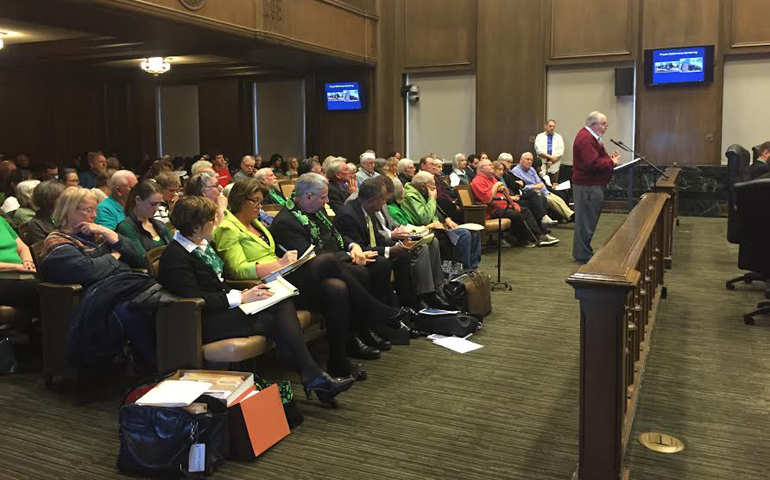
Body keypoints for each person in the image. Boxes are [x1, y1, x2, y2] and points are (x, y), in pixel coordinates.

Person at [159, 195, 354, 406]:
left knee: (279, 305)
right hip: (201, 320)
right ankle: (314, 378)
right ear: (196, 226)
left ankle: (313, 378)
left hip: (222, 309)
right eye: (211, 220)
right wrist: (240, 297)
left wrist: (250, 290)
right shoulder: (175, 257)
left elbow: (219, 283)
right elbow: (194, 298)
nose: (215, 223)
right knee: (279, 314)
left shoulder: (203, 245)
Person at [212, 179, 389, 378]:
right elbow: (237, 270)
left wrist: (284, 263)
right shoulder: (228, 228)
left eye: (261, 202)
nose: (260, 207)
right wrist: (278, 264)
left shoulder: (254, 223)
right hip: (265, 284)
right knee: (327, 261)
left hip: (283, 275)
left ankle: (338, 360)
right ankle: (374, 308)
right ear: (241, 201)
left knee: (336, 287)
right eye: (256, 201)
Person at [269, 174, 414, 356]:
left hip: (334, 262)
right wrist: (348, 255)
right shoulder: (286, 222)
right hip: (307, 277)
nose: (327, 201)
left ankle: (369, 326)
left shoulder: (316, 211)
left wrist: (354, 247)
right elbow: (312, 257)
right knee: (359, 274)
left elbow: (336, 235)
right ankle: (359, 330)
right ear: (308, 197)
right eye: (323, 197)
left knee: (380, 264)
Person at [337, 177, 449, 310]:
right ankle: (405, 303)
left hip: (375, 247)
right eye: (383, 199)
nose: (385, 203)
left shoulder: (367, 209)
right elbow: (361, 247)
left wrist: (396, 246)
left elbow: (378, 238)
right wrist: (389, 250)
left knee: (409, 251)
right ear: (373, 200)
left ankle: (419, 298)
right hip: (361, 256)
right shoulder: (349, 215)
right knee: (393, 260)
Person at [39, 187, 145, 287]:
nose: (94, 215)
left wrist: (107, 231)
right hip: (99, 295)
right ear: (69, 211)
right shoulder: (57, 242)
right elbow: (89, 271)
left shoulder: (95, 233)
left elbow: (135, 256)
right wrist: (115, 255)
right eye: (89, 210)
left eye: (95, 210)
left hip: (124, 283)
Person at [402, 171, 482, 269]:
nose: (435, 189)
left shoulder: (422, 193)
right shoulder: (410, 196)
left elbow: (438, 211)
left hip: (438, 227)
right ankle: (460, 271)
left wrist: (446, 219)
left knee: (474, 232)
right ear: (423, 186)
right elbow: (424, 218)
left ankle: (472, 270)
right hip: (425, 231)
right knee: (464, 235)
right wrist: (432, 199)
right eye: (432, 186)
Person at [471, 159, 558, 247]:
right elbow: (487, 199)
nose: (492, 167)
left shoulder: (491, 179)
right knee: (516, 215)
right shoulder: (477, 181)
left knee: (525, 210)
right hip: (492, 209)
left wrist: (503, 189)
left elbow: (506, 192)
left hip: (504, 204)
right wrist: (496, 186)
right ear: (482, 168)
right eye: (489, 165)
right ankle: (524, 240)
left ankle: (539, 236)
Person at [572, 111, 620, 263]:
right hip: (587, 185)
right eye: (603, 124)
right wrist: (611, 162)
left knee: (587, 220)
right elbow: (591, 164)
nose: (606, 127)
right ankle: (583, 254)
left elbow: (596, 159)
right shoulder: (586, 138)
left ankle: (582, 252)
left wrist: (608, 160)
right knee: (585, 221)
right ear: (593, 124)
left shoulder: (591, 137)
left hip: (591, 184)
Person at [116, 181, 172, 260]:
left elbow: (176, 251)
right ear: (138, 200)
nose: (157, 208)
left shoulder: (159, 225)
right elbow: (143, 261)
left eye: (159, 204)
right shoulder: (126, 227)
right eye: (153, 204)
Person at [513, 152, 574, 221]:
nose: (529, 162)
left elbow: (540, 182)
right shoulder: (516, 171)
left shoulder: (532, 170)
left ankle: (571, 215)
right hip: (530, 193)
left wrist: (546, 192)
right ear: (521, 160)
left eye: (531, 160)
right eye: (527, 159)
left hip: (541, 191)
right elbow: (521, 187)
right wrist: (534, 186)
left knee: (558, 198)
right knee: (552, 200)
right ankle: (571, 216)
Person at [0, 214, 39, 322]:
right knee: (43, 290)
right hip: (4, 276)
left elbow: (22, 247)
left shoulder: (1, 221)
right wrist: (17, 267)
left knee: (54, 281)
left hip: (19, 274)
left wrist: (28, 262)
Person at [25, 180, 65, 245]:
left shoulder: (61, 216)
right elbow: (45, 251)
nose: (65, 199)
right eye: (61, 196)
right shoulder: (35, 225)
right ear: (49, 199)